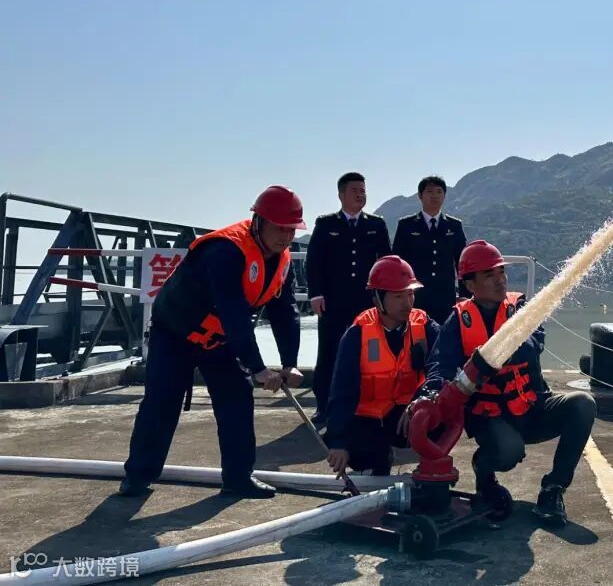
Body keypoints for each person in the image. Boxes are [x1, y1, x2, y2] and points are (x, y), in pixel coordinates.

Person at [119, 185, 306, 499]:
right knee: (161, 402)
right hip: (175, 333)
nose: (286, 237)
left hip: (218, 339)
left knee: (237, 398)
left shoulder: (282, 261)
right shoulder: (225, 250)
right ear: (258, 221)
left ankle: (238, 478)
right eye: (279, 228)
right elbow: (233, 312)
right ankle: (137, 477)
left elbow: (284, 310)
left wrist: (290, 363)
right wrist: (258, 368)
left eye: (291, 230)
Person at [423, 240, 596, 525]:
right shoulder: (458, 321)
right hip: (491, 417)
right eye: (489, 275)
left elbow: (532, 345)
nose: (500, 280)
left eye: (501, 272)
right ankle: (484, 469)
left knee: (583, 404)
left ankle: (553, 489)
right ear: (470, 285)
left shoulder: (522, 309)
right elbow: (440, 365)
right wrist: (431, 391)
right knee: (509, 452)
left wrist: (496, 349)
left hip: (533, 408)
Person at [323, 256, 440, 477]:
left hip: (409, 412)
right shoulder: (358, 334)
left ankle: (430, 468)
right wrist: (338, 441)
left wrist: (422, 400)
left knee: (440, 419)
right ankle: (376, 460)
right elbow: (341, 390)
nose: (407, 303)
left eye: (410, 294)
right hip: (370, 419)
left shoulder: (425, 327)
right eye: (398, 296)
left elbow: (442, 369)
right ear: (378, 298)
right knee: (362, 455)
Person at [306, 172, 391, 426]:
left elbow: (386, 261)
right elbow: (314, 261)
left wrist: (384, 298)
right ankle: (324, 406)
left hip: (366, 302)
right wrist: (316, 293)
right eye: (355, 190)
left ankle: (364, 402)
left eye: (363, 190)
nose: (360, 195)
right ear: (341, 194)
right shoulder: (326, 224)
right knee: (329, 352)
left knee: (368, 352)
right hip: (333, 301)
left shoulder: (376, 224)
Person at [392, 175, 467, 325]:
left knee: (445, 334)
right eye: (430, 192)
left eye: (439, 192)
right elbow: (398, 262)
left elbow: (462, 263)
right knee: (416, 333)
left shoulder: (454, 226)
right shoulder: (406, 225)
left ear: (444, 196)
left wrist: (465, 295)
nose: (435, 196)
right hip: (416, 295)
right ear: (420, 196)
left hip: (445, 295)